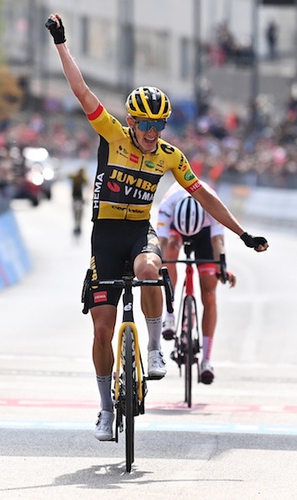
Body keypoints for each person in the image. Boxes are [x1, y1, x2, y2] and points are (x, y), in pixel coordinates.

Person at [46, 13, 269, 441]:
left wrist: (242, 234)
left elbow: (203, 195)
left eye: (159, 125)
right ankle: (105, 408)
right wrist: (61, 43)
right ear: (132, 122)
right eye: (146, 125)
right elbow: (81, 90)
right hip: (105, 236)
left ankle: (153, 348)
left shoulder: (169, 155)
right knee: (102, 329)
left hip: (138, 233)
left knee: (151, 268)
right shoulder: (112, 134)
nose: (152, 132)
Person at [157, 180, 237, 385]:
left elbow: (218, 242)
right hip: (175, 230)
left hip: (205, 234)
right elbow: (161, 243)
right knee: (168, 254)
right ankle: (169, 316)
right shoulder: (167, 204)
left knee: (209, 293)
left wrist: (221, 267)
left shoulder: (211, 204)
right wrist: (157, 266)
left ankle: (206, 361)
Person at [69, 166, 88, 237]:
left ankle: (78, 223)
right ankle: (77, 223)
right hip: (77, 197)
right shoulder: (78, 178)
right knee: (77, 211)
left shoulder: (81, 179)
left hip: (79, 197)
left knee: (78, 212)